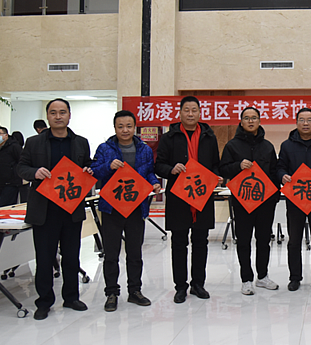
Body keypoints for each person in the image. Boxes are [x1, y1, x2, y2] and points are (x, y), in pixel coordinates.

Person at [17, 99, 93, 321]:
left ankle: (71, 297)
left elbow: (88, 164)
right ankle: (44, 302)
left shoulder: (80, 142)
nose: (58, 116)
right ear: (47, 116)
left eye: (62, 112)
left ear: (69, 115)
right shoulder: (33, 142)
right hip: (45, 210)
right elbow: (21, 167)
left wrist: (89, 169)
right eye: (53, 112)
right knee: (44, 258)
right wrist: (34, 173)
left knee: (71, 256)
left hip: (71, 208)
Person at [92, 110, 161, 312]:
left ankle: (135, 291)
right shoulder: (105, 148)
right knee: (111, 253)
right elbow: (94, 171)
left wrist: (155, 183)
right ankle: (111, 293)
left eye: (129, 126)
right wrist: (108, 166)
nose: (125, 130)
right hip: (111, 208)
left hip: (136, 207)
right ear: (114, 128)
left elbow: (149, 173)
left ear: (134, 127)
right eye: (120, 126)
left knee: (135, 252)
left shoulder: (144, 149)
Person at [155, 96, 222, 304]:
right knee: (179, 243)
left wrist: (216, 176)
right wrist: (171, 169)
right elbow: (159, 165)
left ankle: (198, 284)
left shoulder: (209, 137)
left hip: (202, 195)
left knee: (201, 242)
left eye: (194, 110)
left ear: (200, 112)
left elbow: (215, 164)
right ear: (180, 112)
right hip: (179, 197)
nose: (190, 114)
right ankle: (180, 287)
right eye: (187, 110)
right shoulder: (169, 137)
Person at [219, 107, 280, 295]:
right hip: (242, 201)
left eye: (254, 118)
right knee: (243, 240)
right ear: (241, 122)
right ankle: (246, 279)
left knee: (264, 239)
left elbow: (274, 172)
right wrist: (238, 166)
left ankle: (262, 276)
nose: (251, 121)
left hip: (265, 202)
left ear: (259, 121)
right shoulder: (232, 146)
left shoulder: (268, 146)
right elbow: (223, 169)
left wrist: (274, 196)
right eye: (247, 118)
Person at [277, 108, 311, 291]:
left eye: (309, 120)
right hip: (295, 200)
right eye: (302, 120)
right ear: (296, 122)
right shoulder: (287, 145)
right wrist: (283, 175)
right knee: (294, 240)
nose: (305, 123)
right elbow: (280, 167)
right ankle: (295, 277)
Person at [0, 126, 23, 207]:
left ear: (6, 135)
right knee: (1, 205)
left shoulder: (14, 146)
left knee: (5, 206)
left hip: (11, 182)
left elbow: (21, 161)